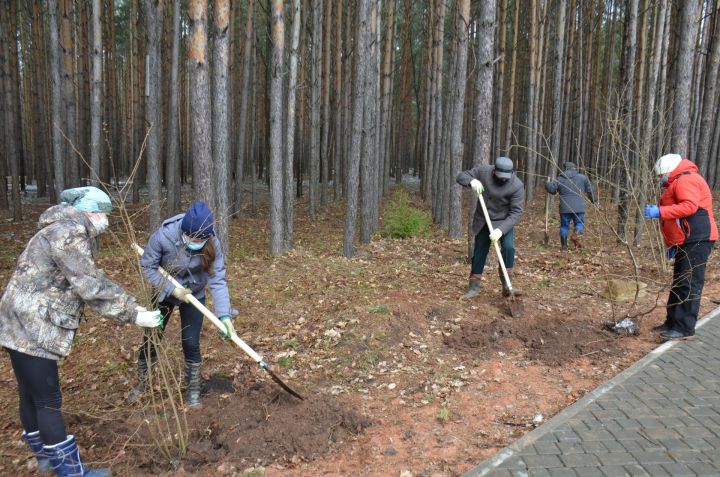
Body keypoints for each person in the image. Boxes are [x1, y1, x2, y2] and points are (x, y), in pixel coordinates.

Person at [0, 187, 162, 477]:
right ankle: (72, 472)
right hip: (34, 326)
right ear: (91, 212)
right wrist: (133, 312)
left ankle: (46, 459)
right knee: (48, 401)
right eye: (105, 214)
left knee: (30, 394)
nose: (107, 221)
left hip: (15, 321)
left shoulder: (56, 228)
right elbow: (89, 284)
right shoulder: (69, 233)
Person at [128, 201, 236, 407]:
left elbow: (218, 279)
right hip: (163, 292)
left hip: (194, 293)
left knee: (191, 342)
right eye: (192, 238)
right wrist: (171, 289)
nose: (197, 242)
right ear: (184, 233)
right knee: (151, 337)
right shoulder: (163, 236)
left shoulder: (212, 242)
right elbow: (148, 267)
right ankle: (144, 384)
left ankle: (193, 390)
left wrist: (225, 316)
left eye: (201, 239)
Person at [644, 153, 717, 340]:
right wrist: (673, 244)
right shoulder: (679, 181)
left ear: (669, 171)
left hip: (697, 239)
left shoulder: (686, 179)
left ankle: (684, 328)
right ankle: (672, 321)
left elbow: (689, 207)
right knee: (679, 283)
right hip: (688, 240)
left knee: (689, 283)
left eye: (661, 175)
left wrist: (659, 211)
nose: (660, 179)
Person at [456, 157, 525, 299]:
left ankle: (507, 285)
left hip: (504, 222)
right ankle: (473, 288)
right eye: (500, 176)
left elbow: (516, 212)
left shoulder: (517, 185)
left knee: (508, 248)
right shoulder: (483, 172)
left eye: (506, 177)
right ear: (494, 171)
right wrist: (472, 181)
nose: (503, 180)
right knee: (480, 251)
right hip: (483, 220)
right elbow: (461, 176)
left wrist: (500, 230)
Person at [544, 161, 596, 249]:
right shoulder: (583, 178)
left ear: (565, 168)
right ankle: (576, 233)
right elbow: (590, 190)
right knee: (579, 223)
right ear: (574, 168)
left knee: (564, 226)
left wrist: (547, 184)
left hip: (565, 207)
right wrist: (594, 200)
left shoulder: (560, 178)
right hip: (579, 207)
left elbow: (552, 190)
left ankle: (564, 246)